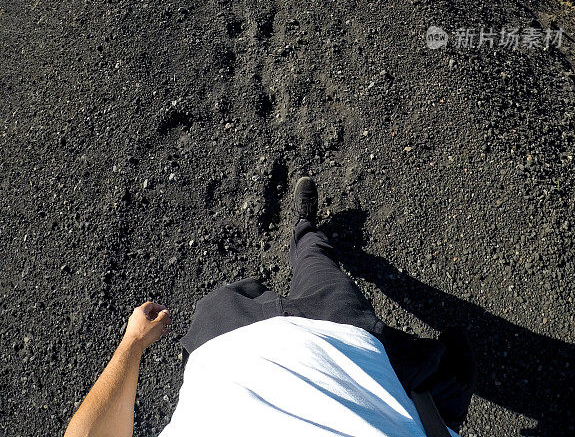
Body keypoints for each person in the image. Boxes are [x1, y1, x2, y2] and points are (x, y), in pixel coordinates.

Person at [64, 177, 476, 437]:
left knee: (299, 274)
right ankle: (305, 232)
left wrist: (133, 343)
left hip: (225, 346)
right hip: (340, 347)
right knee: (318, 267)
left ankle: (305, 230)